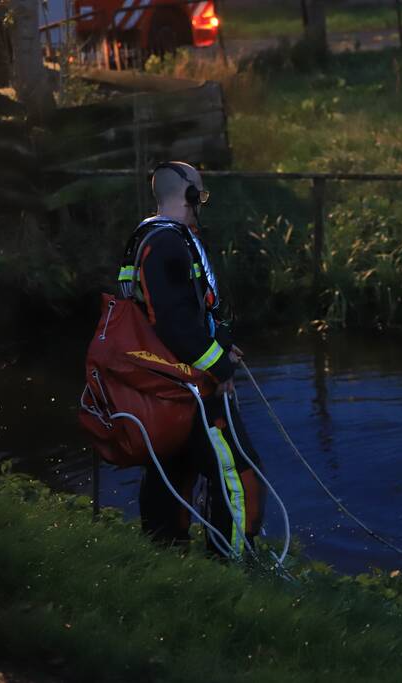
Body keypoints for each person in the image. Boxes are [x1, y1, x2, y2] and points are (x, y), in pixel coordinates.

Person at [119, 161, 265, 557]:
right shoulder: (166, 242)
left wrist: (222, 340)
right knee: (240, 474)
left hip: (167, 386)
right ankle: (234, 566)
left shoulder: (153, 237)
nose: (202, 199)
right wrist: (220, 367)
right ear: (186, 194)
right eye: (199, 191)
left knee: (173, 470)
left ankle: (167, 557)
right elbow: (173, 324)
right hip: (192, 387)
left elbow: (188, 309)